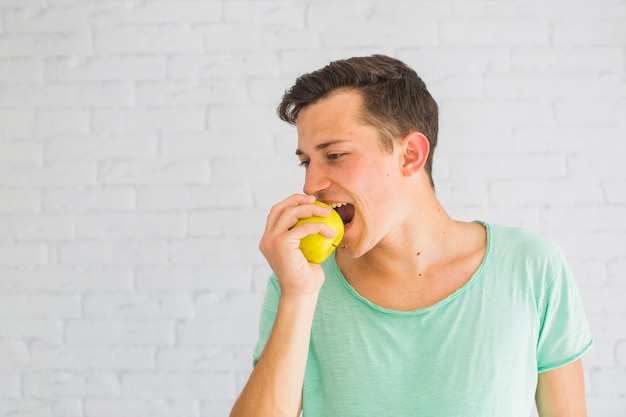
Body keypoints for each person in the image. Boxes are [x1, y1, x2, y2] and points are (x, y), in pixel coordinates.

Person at [230, 55, 593, 417]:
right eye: (307, 161)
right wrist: (298, 295)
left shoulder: (530, 267)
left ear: (410, 155)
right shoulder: (299, 283)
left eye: (336, 154)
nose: (311, 184)